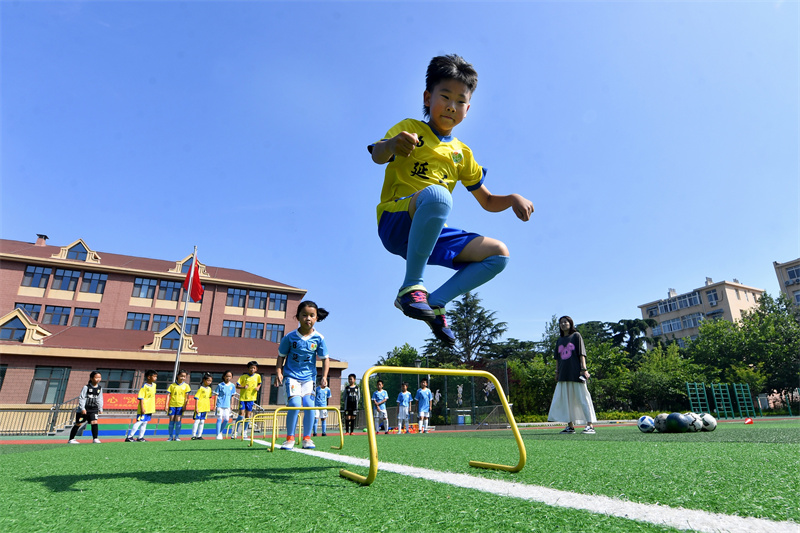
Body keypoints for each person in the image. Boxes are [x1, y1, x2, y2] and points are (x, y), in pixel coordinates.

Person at [368, 54, 534, 346]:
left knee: (499, 253)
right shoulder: (411, 129)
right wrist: (393, 144)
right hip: (396, 221)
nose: (451, 106)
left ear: (468, 109)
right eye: (445, 96)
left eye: (460, 101)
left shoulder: (462, 154)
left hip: (428, 231)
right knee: (438, 195)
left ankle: (435, 303)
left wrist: (512, 198)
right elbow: (377, 155)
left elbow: (487, 201)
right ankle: (411, 287)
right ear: (427, 97)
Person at [276, 301, 330, 450]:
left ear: (316, 318)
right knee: (294, 404)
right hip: (291, 376)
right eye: (304, 315)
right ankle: (290, 438)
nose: (308, 318)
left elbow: (325, 359)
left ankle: (307, 438)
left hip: (309, 378)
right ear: (298, 317)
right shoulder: (290, 337)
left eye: (312, 315)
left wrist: (324, 376)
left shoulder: (319, 338)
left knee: (309, 405)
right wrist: (279, 372)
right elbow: (281, 356)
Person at [548, 315, 597, 434]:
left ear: (570, 323)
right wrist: (557, 372)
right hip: (563, 375)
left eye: (565, 322)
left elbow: (582, 354)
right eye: (561, 323)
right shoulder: (559, 340)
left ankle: (590, 425)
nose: (563, 324)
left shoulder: (576, 336)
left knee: (583, 398)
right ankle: (570, 426)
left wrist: (584, 369)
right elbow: (557, 359)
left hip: (576, 373)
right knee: (566, 401)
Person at [68, 371, 104, 444]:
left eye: (99, 377)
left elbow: (100, 398)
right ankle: (71, 439)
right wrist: (82, 408)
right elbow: (82, 398)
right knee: (79, 423)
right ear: (91, 378)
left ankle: (95, 438)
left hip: (94, 409)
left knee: (94, 422)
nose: (98, 379)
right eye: (96, 377)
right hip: (84, 409)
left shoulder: (99, 388)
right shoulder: (86, 387)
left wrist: (100, 408)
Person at [126, 369, 158, 442]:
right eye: (154, 376)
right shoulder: (144, 387)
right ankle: (129, 437)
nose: (156, 378)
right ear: (149, 377)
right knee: (140, 421)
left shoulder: (154, 385)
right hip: (144, 407)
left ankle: (140, 437)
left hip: (150, 408)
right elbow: (141, 398)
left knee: (145, 422)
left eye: (156, 376)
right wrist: (142, 408)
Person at [235, 361, 262, 439]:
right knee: (241, 414)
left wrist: (258, 387)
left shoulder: (258, 376)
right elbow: (237, 385)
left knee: (248, 415)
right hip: (243, 398)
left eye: (254, 368)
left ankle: (244, 431)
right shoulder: (243, 377)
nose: (252, 369)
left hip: (251, 398)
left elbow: (259, 383)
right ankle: (235, 431)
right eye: (251, 368)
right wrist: (243, 387)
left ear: (256, 369)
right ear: (248, 368)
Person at [165, 370, 191, 442]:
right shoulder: (172, 385)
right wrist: (166, 405)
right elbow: (168, 395)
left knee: (178, 420)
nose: (182, 378)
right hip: (172, 405)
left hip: (180, 405)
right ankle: (170, 437)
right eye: (181, 376)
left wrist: (185, 405)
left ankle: (177, 436)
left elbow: (186, 397)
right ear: (178, 376)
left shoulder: (186, 386)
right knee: (171, 420)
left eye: (184, 376)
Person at [214, 370, 236, 440]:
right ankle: (217, 434)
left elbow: (232, 396)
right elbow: (216, 395)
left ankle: (220, 431)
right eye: (227, 376)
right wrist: (215, 405)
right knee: (219, 418)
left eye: (230, 376)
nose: (228, 378)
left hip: (227, 405)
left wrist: (231, 404)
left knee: (226, 419)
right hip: (220, 405)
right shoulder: (220, 385)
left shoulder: (232, 386)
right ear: (224, 376)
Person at [191, 373, 213, 440]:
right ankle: (193, 435)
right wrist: (196, 407)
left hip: (205, 408)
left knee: (202, 422)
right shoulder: (200, 388)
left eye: (210, 381)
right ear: (204, 380)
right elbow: (197, 398)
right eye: (208, 380)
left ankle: (199, 435)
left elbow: (209, 398)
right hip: (199, 408)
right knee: (197, 421)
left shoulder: (209, 389)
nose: (209, 382)